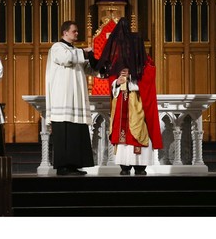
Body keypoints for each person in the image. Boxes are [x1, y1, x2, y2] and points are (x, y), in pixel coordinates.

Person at [95, 17, 163, 175]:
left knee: (137, 131)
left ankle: (140, 165)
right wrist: (117, 82)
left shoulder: (144, 61)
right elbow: (111, 79)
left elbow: (149, 77)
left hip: (137, 102)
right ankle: (124, 165)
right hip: (121, 102)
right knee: (122, 134)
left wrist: (133, 75)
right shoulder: (118, 61)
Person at [45, 20, 98, 176]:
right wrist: (85, 52)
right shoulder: (57, 48)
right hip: (63, 97)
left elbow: (88, 69)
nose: (77, 33)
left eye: (76, 31)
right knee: (64, 131)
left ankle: (75, 165)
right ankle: (62, 166)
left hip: (76, 98)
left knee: (76, 131)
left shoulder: (75, 51)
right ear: (65, 32)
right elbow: (66, 59)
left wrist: (95, 61)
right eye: (74, 31)